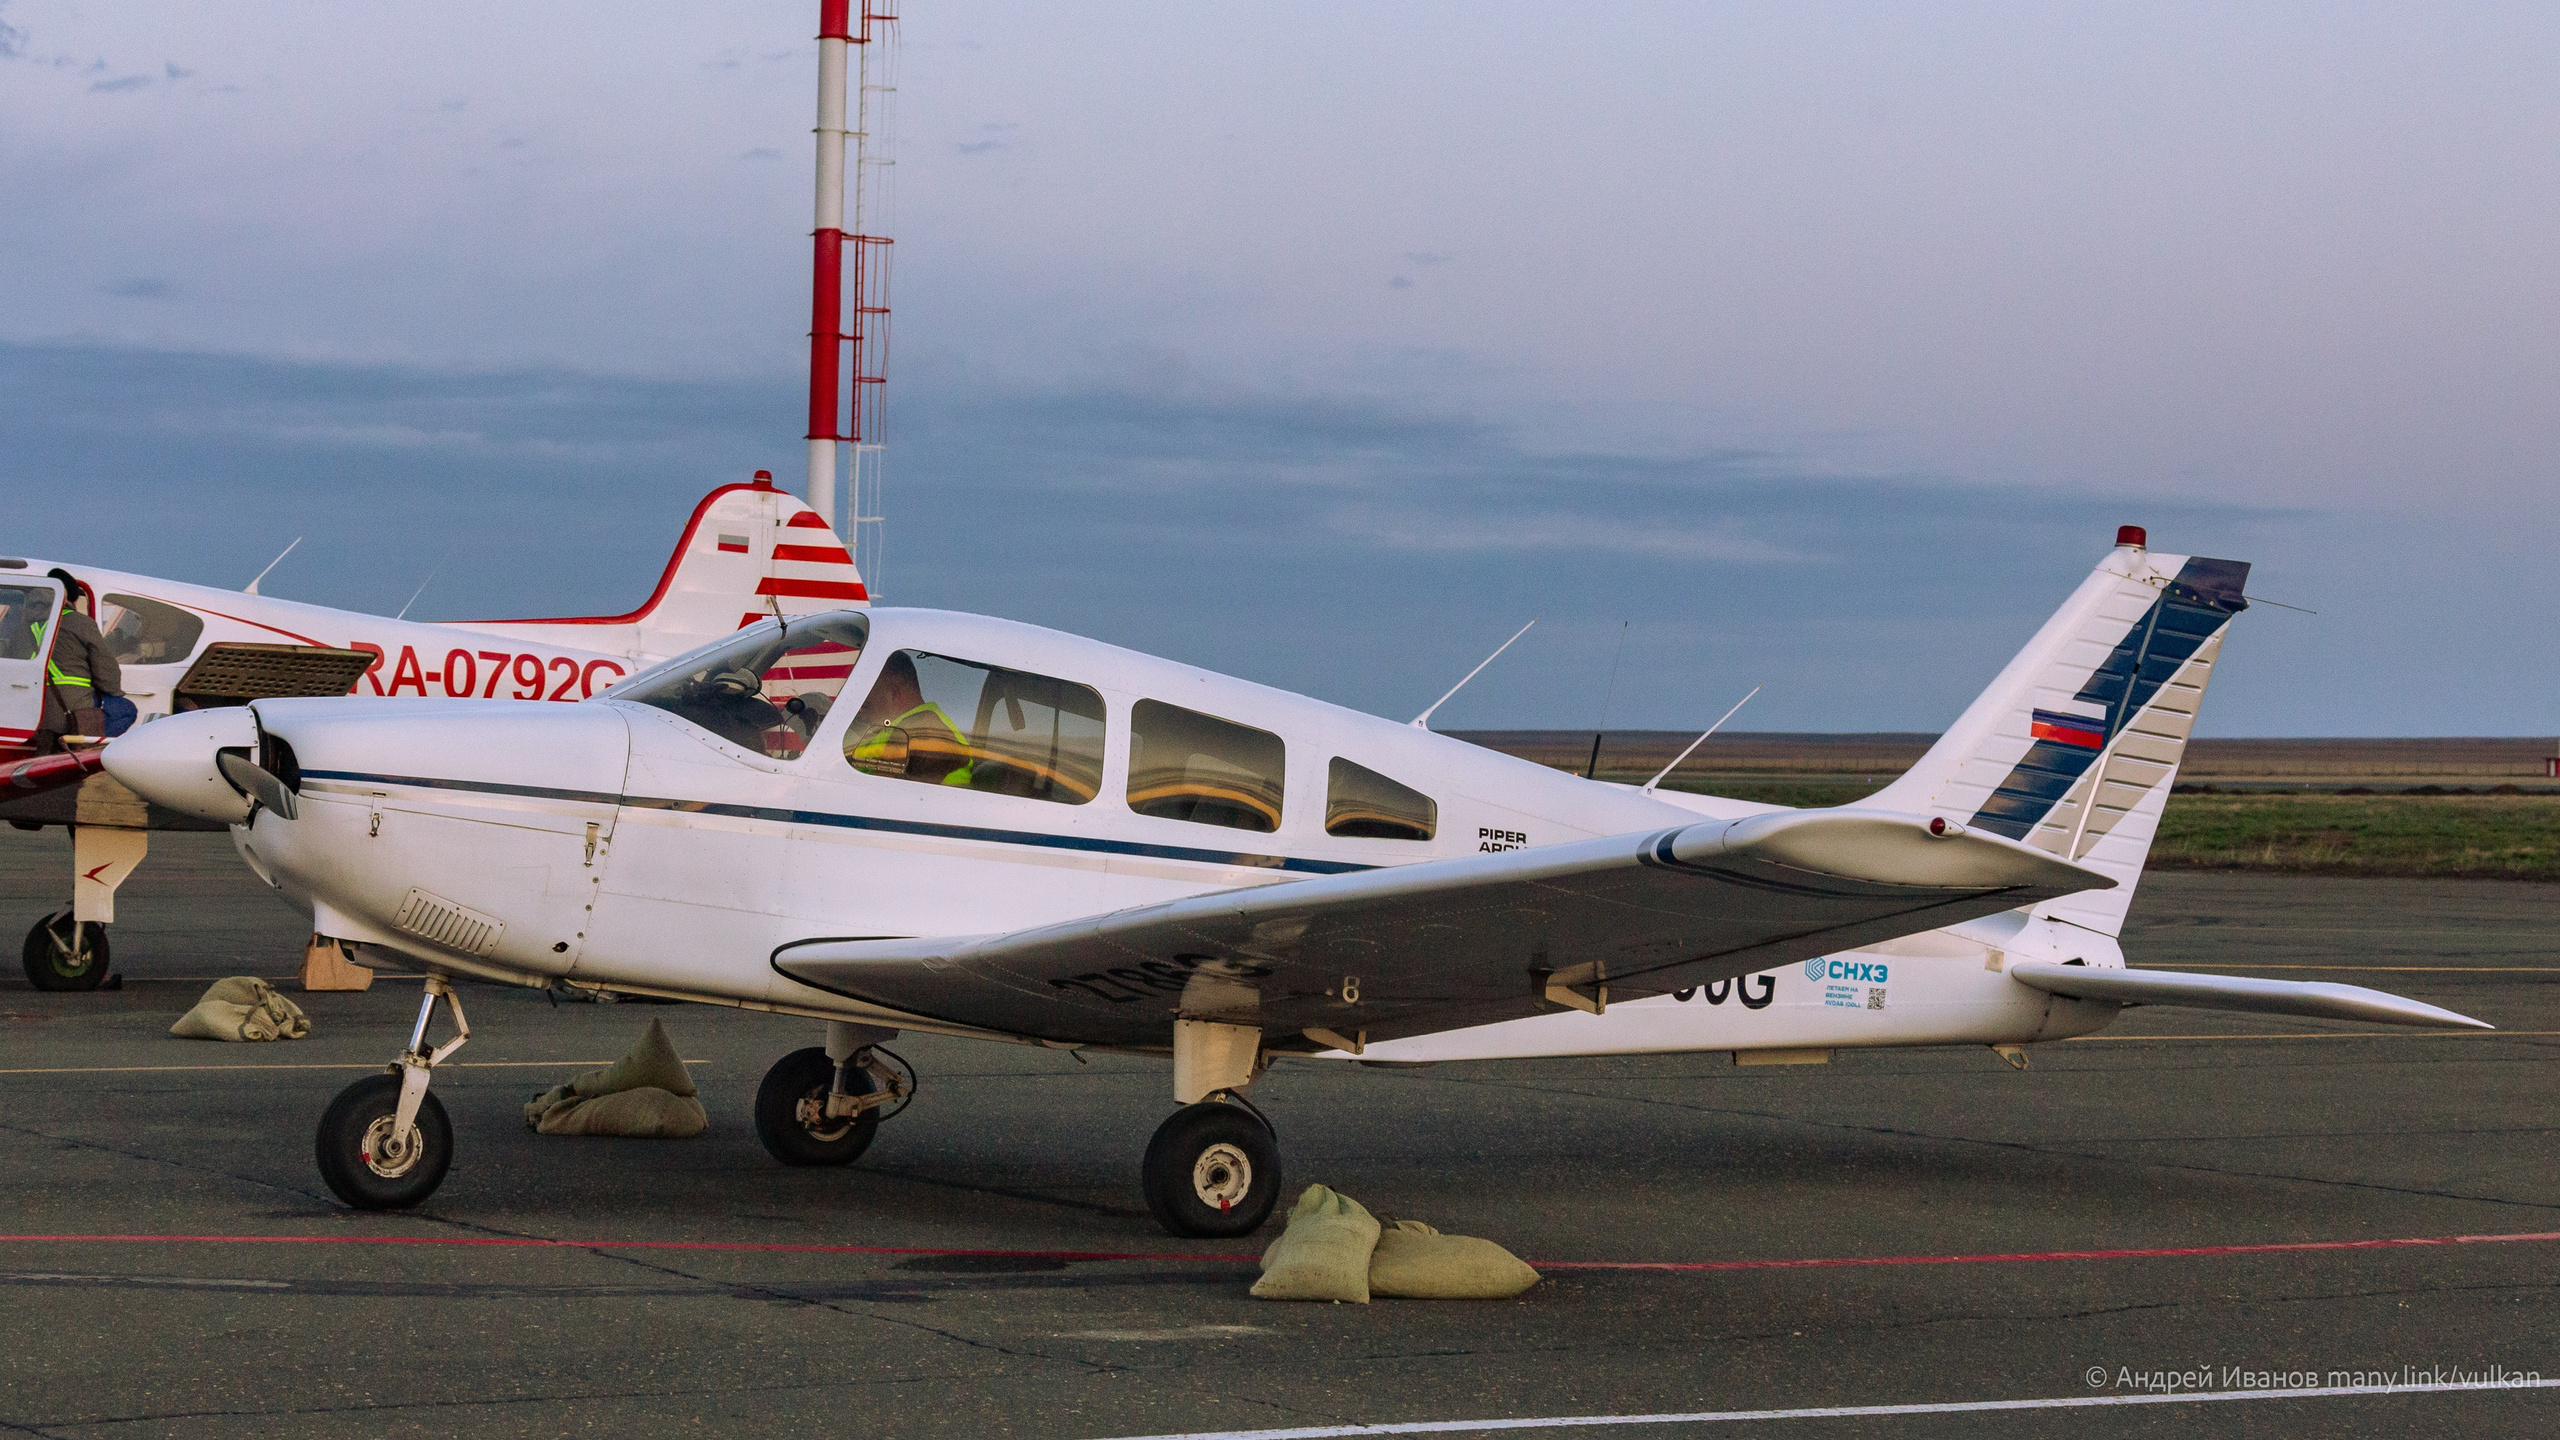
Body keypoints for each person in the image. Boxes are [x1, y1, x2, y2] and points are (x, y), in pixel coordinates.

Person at [845, 652, 974, 785]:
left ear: (893, 693)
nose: (860, 707)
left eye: (866, 700)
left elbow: (877, 792)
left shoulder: (922, 729)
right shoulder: (899, 727)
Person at [35, 569, 121, 753]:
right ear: (73, 600)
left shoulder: (26, 625)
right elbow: (106, 671)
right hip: (72, 711)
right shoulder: (81, 623)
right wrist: (113, 690)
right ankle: (92, 751)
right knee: (125, 709)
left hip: (36, 712)